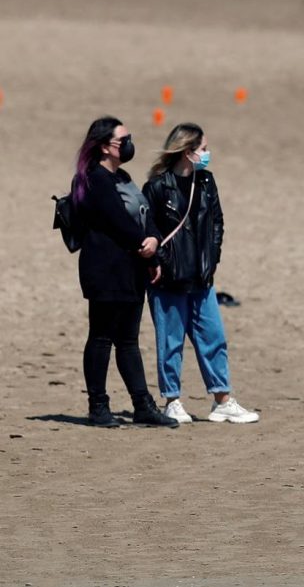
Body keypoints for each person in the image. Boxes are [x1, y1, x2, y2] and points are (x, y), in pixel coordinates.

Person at [142, 123, 260, 425]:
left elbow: (217, 222)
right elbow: (149, 229)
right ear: (187, 151)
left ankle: (222, 400)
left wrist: (212, 258)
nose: (207, 154)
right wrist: (162, 261)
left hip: (202, 278)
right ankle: (172, 400)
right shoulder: (157, 186)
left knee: (213, 337)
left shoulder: (206, 181)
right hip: (168, 280)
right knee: (170, 342)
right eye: (203, 149)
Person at [71, 116, 178, 428]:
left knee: (129, 340)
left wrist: (154, 242)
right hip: (105, 269)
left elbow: (143, 213)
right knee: (102, 337)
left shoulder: (124, 177)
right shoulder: (92, 179)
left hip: (132, 269)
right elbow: (116, 220)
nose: (130, 144)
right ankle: (98, 405)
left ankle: (142, 404)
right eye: (123, 139)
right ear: (105, 146)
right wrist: (141, 244)